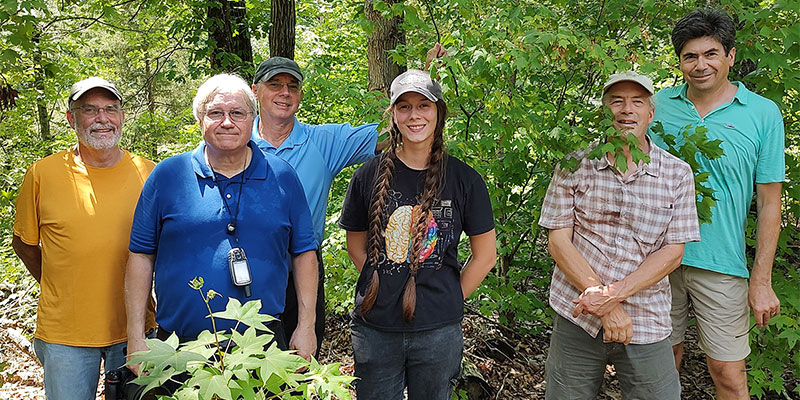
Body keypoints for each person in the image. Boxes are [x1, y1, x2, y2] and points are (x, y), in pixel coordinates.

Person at [249, 43, 446, 356]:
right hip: (246, 269)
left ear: (300, 95)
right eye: (275, 85)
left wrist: (424, 77)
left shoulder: (322, 143)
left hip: (301, 270)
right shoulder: (234, 142)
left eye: (292, 86)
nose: (284, 92)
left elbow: (392, 129)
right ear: (256, 90)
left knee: (299, 364)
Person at [125, 73, 319, 375]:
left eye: (237, 113)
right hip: (179, 350)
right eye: (215, 113)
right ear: (200, 119)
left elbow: (305, 253)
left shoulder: (282, 176)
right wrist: (136, 337)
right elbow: (140, 255)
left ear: (252, 118)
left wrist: (306, 326)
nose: (227, 122)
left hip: (263, 348)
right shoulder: (168, 176)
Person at [648, 9, 785, 399]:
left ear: (730, 55)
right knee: (659, 367)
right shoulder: (656, 107)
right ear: (679, 62)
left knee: (727, 373)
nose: (700, 65)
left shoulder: (762, 114)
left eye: (710, 54)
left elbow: (769, 204)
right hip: (656, 260)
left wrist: (760, 280)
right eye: (690, 56)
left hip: (721, 262)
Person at [539, 71, 701, 399]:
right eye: (617, 101)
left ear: (651, 113)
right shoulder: (574, 165)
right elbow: (558, 241)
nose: (627, 109)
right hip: (579, 314)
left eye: (637, 102)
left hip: (648, 317)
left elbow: (673, 252)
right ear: (605, 111)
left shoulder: (677, 174)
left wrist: (614, 296)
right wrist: (604, 302)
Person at [338, 70, 497, 400]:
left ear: (439, 113)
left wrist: (451, 297)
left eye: (424, 106)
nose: (415, 115)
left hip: (438, 330)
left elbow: (485, 256)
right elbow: (356, 246)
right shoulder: (367, 175)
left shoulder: (465, 180)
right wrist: (385, 285)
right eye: (405, 107)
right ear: (393, 115)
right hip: (376, 328)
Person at [11, 77, 157, 399]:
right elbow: (23, 242)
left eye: (110, 109)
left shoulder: (149, 173)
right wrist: (58, 285)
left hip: (135, 330)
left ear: (121, 116)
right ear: (70, 118)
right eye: (89, 110)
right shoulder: (43, 174)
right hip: (65, 335)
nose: (102, 118)